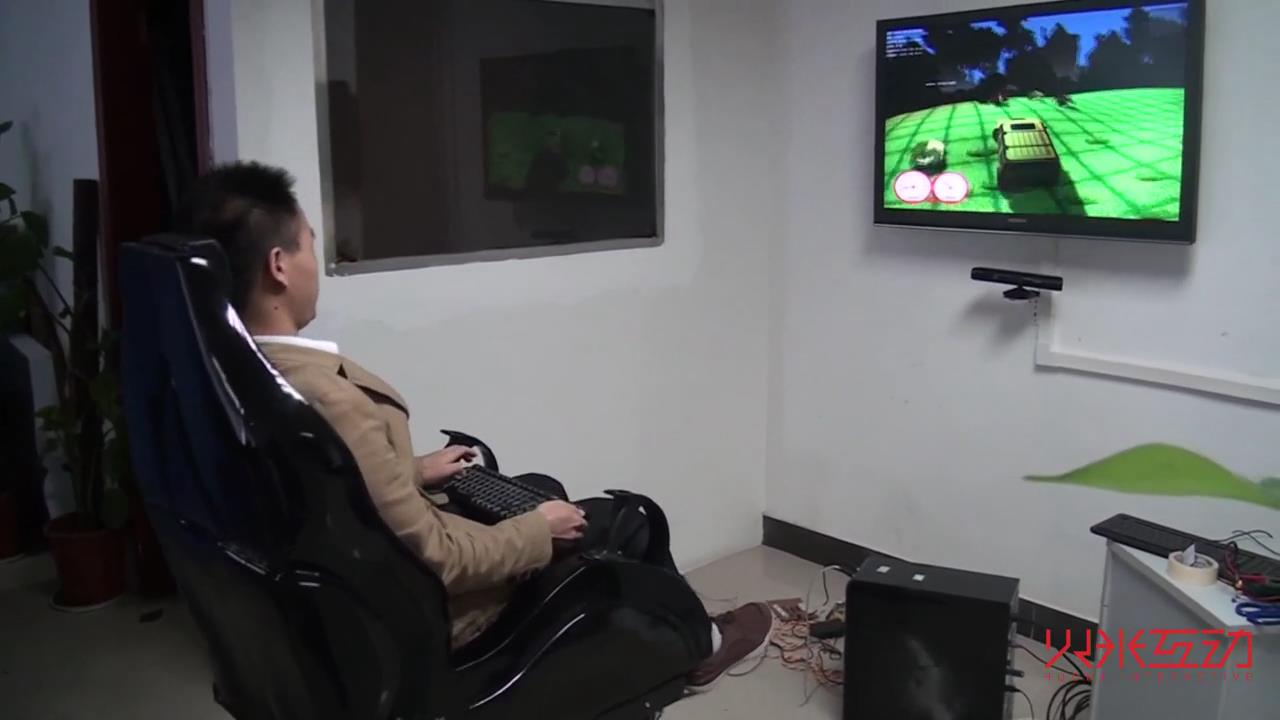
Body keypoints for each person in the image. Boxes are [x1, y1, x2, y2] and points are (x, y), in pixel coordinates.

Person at [176, 161, 772, 691]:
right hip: (430, 613)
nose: (316, 263)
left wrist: (411, 471)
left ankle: (679, 625)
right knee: (624, 519)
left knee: (539, 487)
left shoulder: (236, 379)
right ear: (280, 266)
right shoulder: (323, 397)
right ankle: (703, 643)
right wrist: (537, 530)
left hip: (344, 608)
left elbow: (325, 494)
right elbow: (435, 559)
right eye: (310, 244)